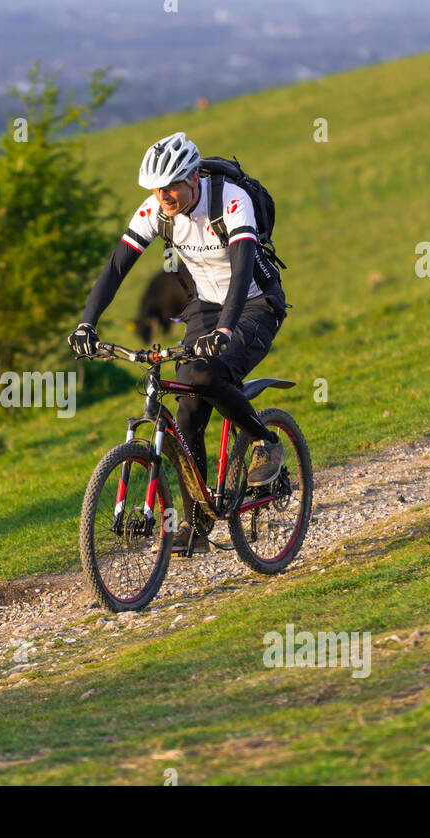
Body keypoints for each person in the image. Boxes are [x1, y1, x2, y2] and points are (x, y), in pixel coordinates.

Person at [68, 132, 288, 553]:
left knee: (206, 375)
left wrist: (224, 329)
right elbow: (116, 268)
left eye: (171, 186)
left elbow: (242, 272)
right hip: (205, 305)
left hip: (255, 305)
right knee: (186, 413)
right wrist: (86, 323)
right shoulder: (157, 209)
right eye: (156, 188)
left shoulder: (230, 200)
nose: (163, 196)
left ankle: (266, 440)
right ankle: (198, 523)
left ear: (192, 177)